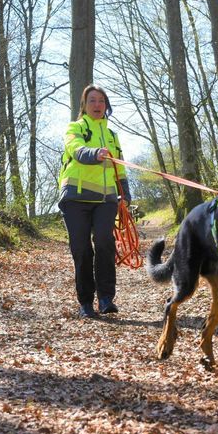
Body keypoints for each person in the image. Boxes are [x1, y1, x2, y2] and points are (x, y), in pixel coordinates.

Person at [58, 85, 131, 318]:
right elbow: (75, 148)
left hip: (106, 199)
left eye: (101, 101)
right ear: (84, 105)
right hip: (75, 198)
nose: (97, 105)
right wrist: (93, 154)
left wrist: (125, 195)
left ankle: (106, 298)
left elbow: (120, 168)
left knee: (104, 243)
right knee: (81, 250)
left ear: (106, 105)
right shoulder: (75, 127)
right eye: (92, 101)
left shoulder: (112, 136)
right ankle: (86, 302)